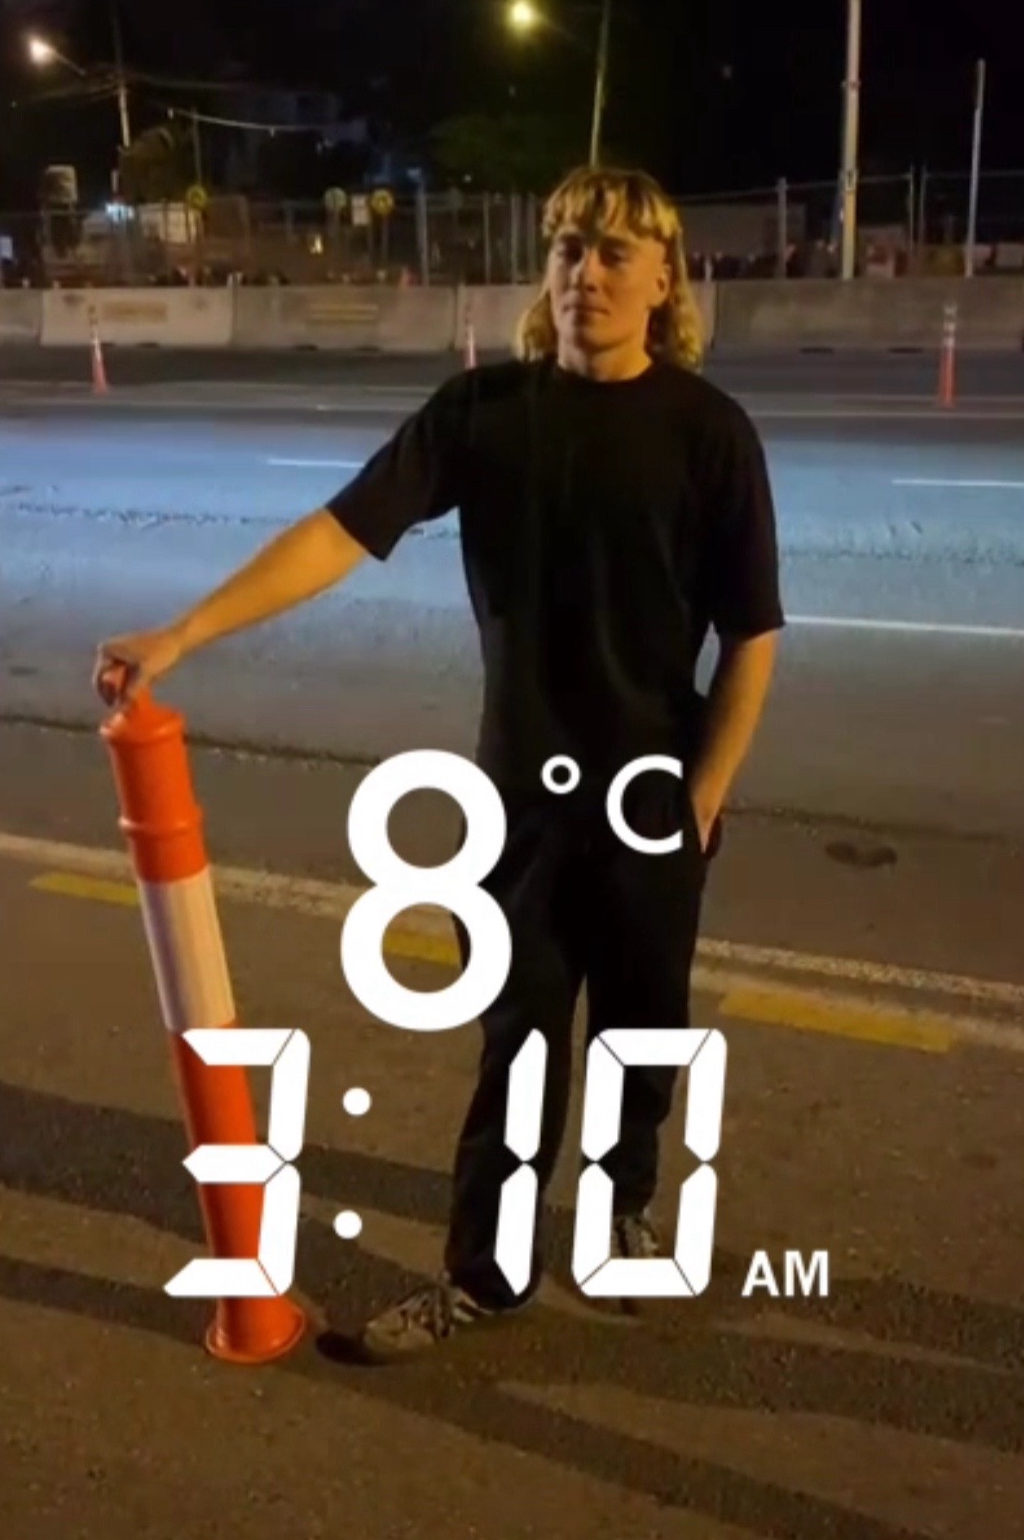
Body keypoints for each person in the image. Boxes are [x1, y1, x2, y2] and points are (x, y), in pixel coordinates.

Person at [93, 164, 783, 1364]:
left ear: (665, 278)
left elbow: (753, 634)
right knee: (517, 1045)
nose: (585, 274)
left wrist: (707, 789)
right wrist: (184, 632)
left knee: (641, 1033)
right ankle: (484, 1274)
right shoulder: (483, 414)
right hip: (516, 805)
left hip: (652, 805)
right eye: (567, 249)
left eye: (615, 253)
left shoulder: (709, 433)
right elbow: (337, 531)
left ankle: (622, 1205)